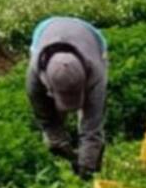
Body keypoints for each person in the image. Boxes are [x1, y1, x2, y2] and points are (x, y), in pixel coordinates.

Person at [26, 16, 108, 178]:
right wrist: (57, 141)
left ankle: (90, 163)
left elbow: (93, 121)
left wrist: (87, 165)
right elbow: (46, 118)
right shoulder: (35, 78)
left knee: (90, 130)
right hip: (46, 30)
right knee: (54, 129)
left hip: (90, 37)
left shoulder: (96, 73)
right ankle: (57, 164)